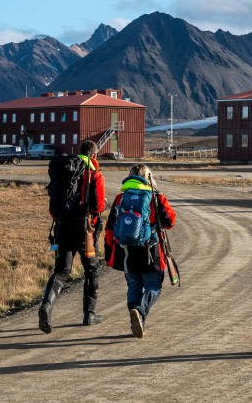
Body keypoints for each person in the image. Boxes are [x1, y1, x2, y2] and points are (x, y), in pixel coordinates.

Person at [38, 140, 107, 333]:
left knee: (61, 272)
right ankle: (89, 315)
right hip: (85, 230)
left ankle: (46, 307)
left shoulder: (64, 170)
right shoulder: (94, 173)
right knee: (91, 271)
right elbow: (99, 206)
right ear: (94, 155)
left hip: (62, 227)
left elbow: (54, 203)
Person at [104, 164, 176, 338]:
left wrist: (111, 249)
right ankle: (139, 310)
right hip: (151, 251)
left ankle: (136, 318)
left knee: (134, 286)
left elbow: (110, 227)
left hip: (126, 252)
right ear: (149, 177)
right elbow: (170, 222)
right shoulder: (156, 197)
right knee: (153, 286)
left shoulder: (121, 198)